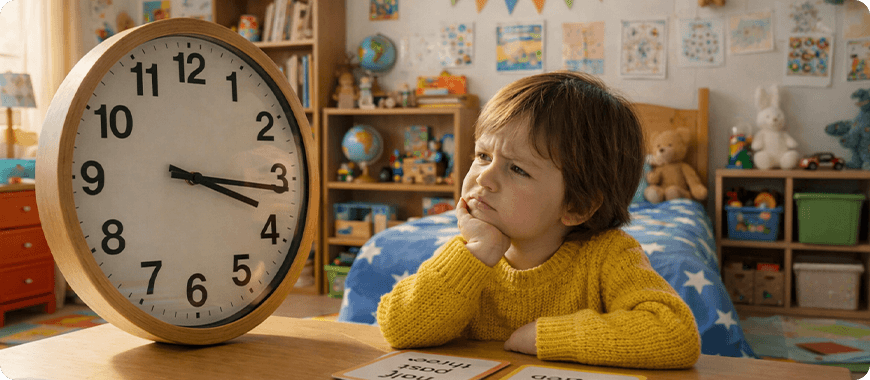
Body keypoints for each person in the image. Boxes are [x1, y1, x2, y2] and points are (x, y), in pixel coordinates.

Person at [376, 71, 701, 369]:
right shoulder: (468, 254)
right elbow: (398, 327)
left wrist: (548, 336)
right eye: (483, 156)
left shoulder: (608, 255)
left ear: (578, 206)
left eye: (517, 168)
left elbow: (675, 334)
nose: (483, 178)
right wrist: (477, 252)